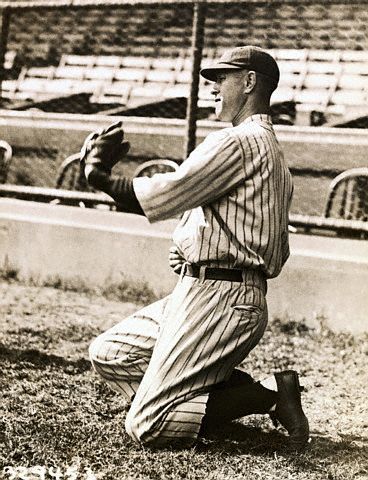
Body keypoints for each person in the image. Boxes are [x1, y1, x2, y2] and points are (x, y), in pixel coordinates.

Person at [83, 45, 309, 449]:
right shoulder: (269, 149)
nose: (213, 88)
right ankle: (203, 392)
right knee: (110, 352)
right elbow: (215, 215)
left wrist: (100, 177)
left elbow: (166, 193)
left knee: (147, 427)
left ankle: (270, 397)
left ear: (250, 82)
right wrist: (189, 246)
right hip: (206, 291)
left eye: (222, 78)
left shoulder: (241, 141)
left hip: (224, 299)